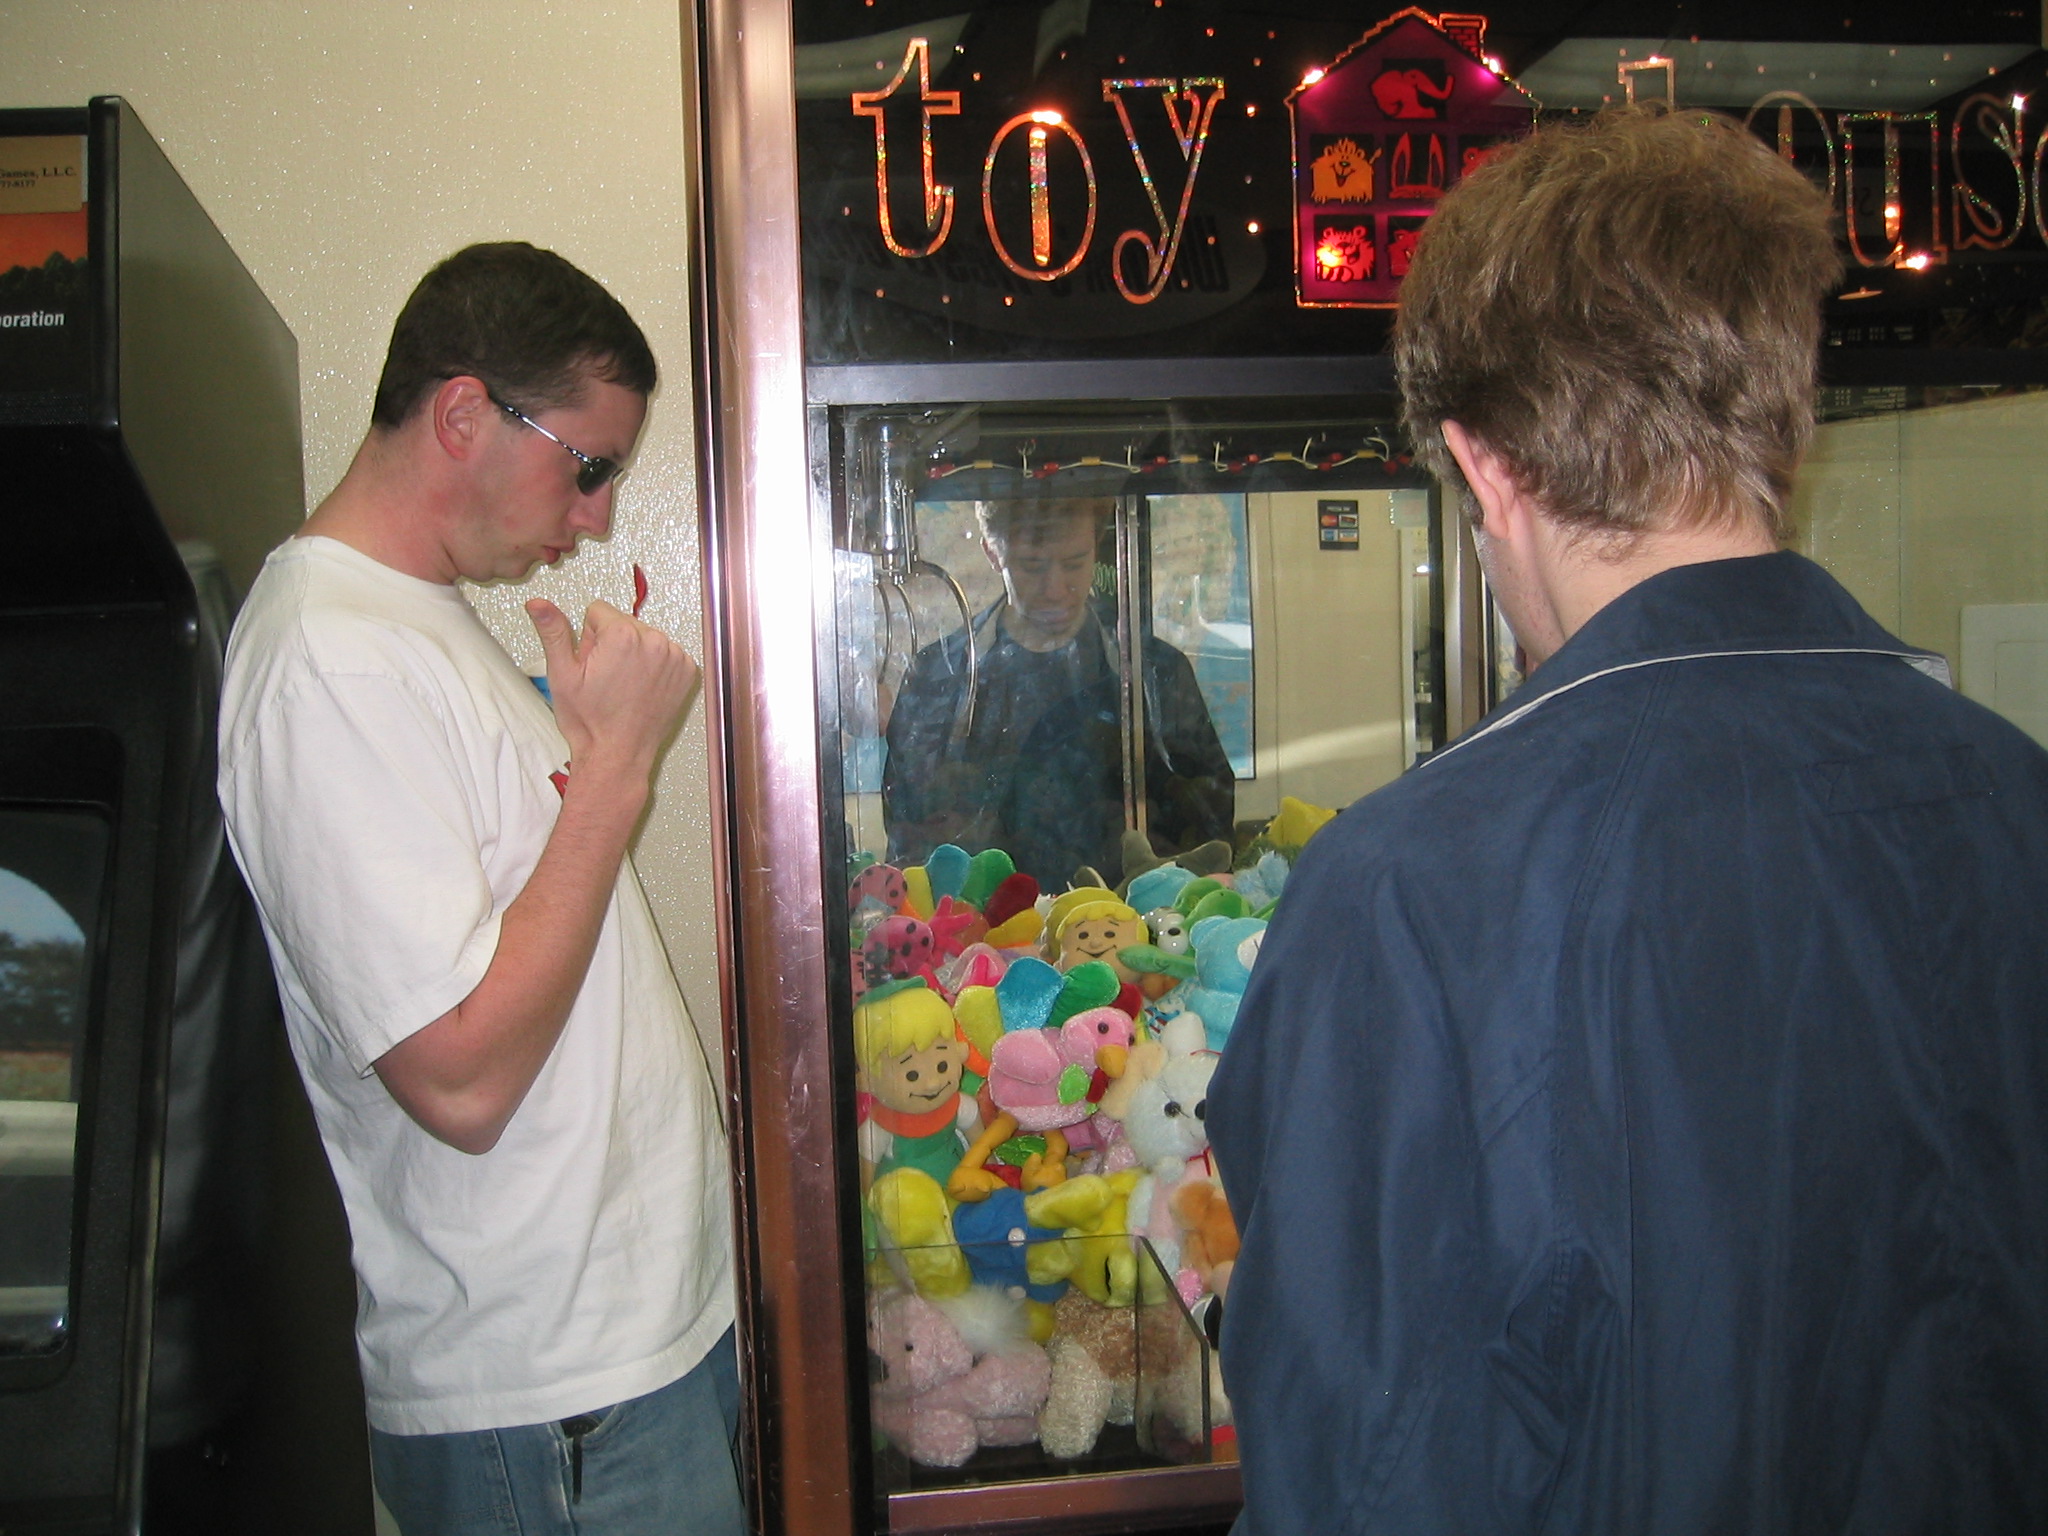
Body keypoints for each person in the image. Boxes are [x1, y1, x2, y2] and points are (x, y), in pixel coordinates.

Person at [1208, 108, 2048, 1534]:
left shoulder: (1410, 889)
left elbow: (1366, 1476)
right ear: (1784, 413)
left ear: (1485, 469)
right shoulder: (2014, 796)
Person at [218, 243, 742, 1535]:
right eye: (589, 465)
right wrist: (615, 773)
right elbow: (457, 1077)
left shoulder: (417, 624)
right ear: (462, 414)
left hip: (625, 1365)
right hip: (551, 1402)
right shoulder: (327, 663)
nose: (599, 517)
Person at [882, 497, 1234, 888]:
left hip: (1128, 914)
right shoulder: (939, 675)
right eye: (1032, 566)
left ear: (1096, 547)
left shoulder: (1155, 670)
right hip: (986, 916)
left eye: (1074, 563)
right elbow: (909, 831)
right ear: (992, 553)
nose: (1054, 590)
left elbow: (1208, 818)